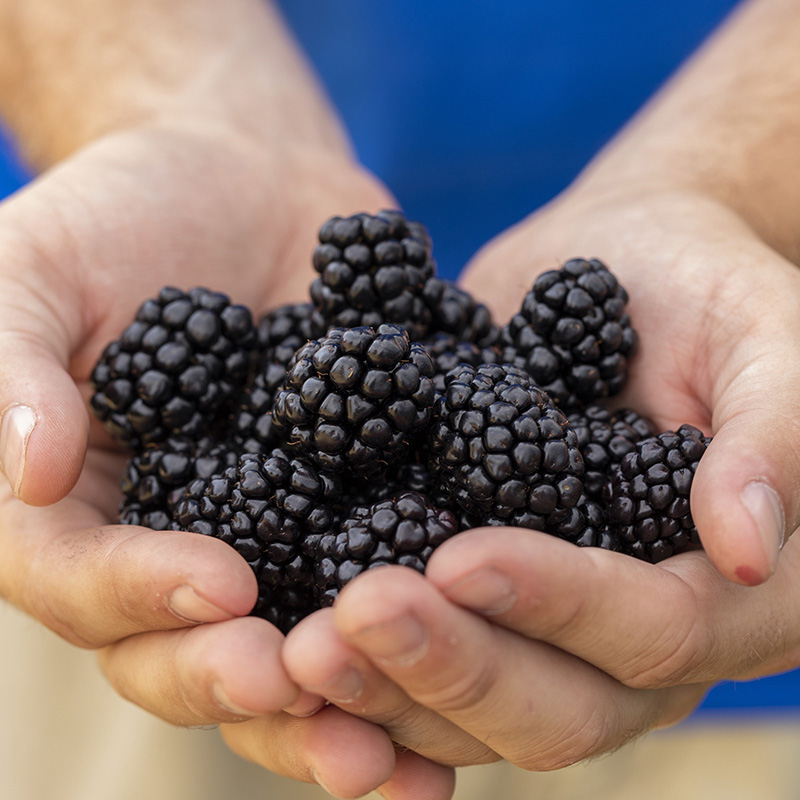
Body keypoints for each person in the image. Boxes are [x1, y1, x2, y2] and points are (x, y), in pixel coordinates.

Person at [1, 0, 800, 798]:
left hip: (740, 715)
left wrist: (733, 191)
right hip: (139, 663)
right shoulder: (326, 415)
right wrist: (157, 110)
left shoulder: (459, 413)